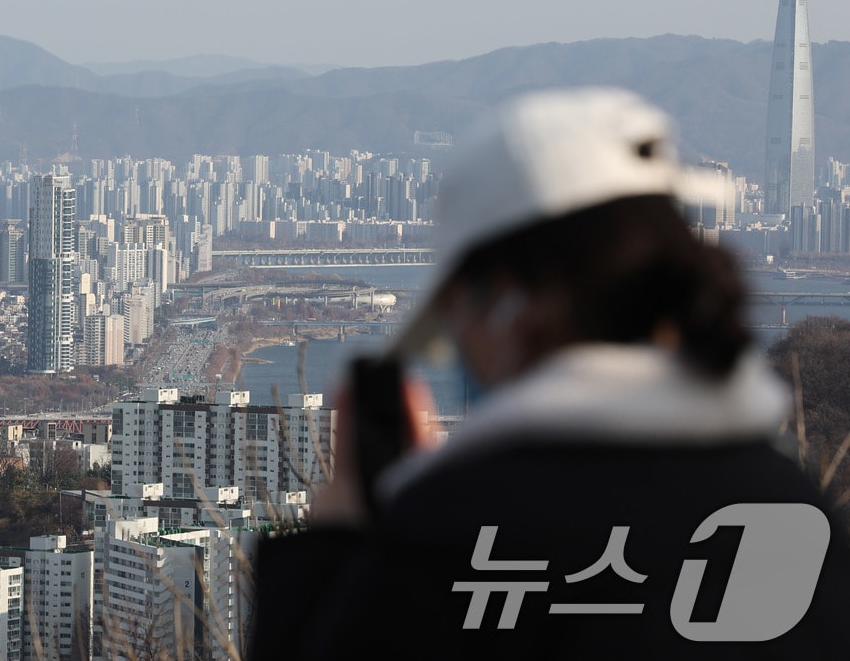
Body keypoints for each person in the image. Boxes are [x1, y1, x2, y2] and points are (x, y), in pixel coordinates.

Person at [248, 87, 850, 659]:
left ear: (508, 308)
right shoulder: (797, 511)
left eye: (453, 319)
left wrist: (329, 554)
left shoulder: (450, 540)